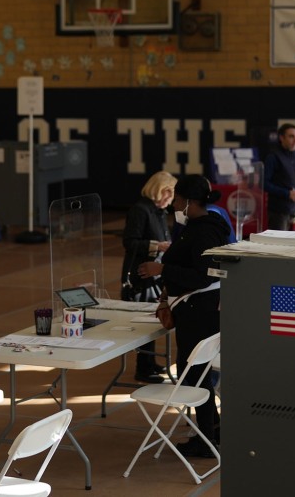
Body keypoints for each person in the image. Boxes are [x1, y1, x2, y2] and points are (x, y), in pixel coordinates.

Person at [137, 174, 228, 459]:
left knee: (195, 373)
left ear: (188, 202)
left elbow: (201, 276)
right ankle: (212, 426)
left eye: (177, 199)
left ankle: (206, 438)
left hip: (197, 310)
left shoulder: (202, 231)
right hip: (201, 308)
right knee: (197, 371)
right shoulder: (205, 226)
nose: (174, 204)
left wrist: (161, 270)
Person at [121, 171, 176, 384]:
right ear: (160, 190)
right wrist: (158, 245)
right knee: (144, 323)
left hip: (154, 271)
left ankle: (150, 362)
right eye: (169, 194)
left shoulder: (159, 211)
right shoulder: (140, 210)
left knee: (153, 319)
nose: (170, 200)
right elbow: (130, 242)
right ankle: (142, 368)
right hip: (140, 272)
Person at [263, 123, 295, 231]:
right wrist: (287, 193)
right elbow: (264, 184)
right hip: (279, 212)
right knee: (279, 246)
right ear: (281, 138)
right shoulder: (273, 157)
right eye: (291, 136)